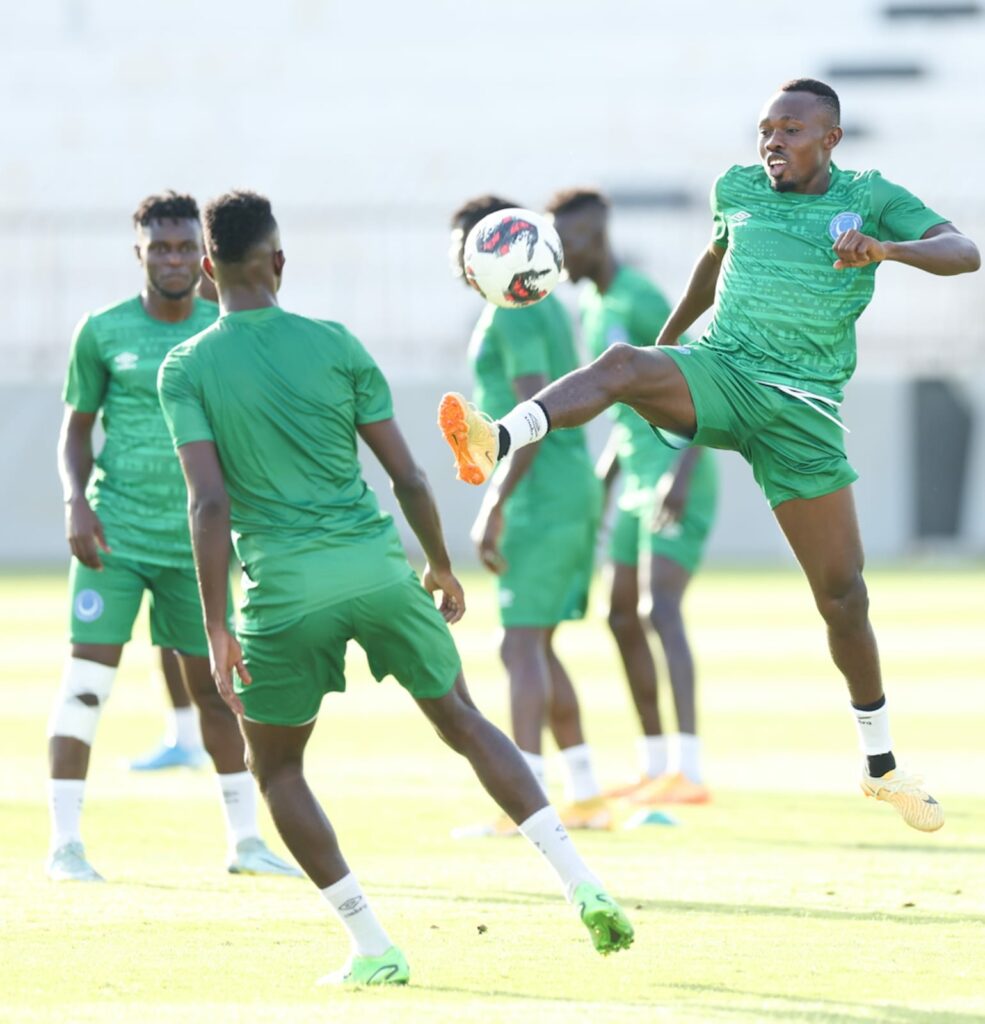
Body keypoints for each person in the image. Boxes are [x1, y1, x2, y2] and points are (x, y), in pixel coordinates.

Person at [438, 78, 981, 833]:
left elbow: (964, 252)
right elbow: (711, 262)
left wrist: (885, 248)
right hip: (724, 371)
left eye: (790, 130)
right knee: (621, 363)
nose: (772, 141)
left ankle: (881, 766)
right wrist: (665, 352)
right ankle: (498, 435)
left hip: (803, 413)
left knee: (842, 596)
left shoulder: (870, 197)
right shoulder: (736, 188)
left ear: (830, 139)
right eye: (765, 129)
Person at [157, 190, 633, 986]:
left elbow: (208, 504)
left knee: (277, 770)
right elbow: (407, 474)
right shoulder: (336, 343)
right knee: (464, 721)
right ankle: (581, 882)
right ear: (279, 263)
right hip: (379, 570)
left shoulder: (184, 368)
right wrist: (439, 563)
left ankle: (372, 945)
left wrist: (215, 627)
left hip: (283, 593)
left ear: (207, 270)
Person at [50, 190, 300, 881]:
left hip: (197, 546)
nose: (173, 259)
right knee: (86, 685)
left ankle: (245, 843)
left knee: (219, 693)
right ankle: (65, 846)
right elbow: (74, 433)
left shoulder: (226, 330)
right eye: (159, 247)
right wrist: (76, 503)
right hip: (116, 535)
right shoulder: (102, 331)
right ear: (138, 252)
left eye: (186, 247)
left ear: (205, 255)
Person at [546, 187, 719, 804]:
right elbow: (625, 402)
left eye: (566, 243)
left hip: (676, 471)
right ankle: (653, 764)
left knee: (659, 609)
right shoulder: (593, 305)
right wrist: (604, 478)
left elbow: (701, 374)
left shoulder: (639, 297)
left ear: (596, 237)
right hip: (634, 477)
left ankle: (689, 771)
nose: (558, 257)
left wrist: (684, 469)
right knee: (618, 614)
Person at [444, 196, 609, 835]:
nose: (457, 255)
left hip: (541, 493)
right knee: (534, 645)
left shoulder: (509, 313)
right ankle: (585, 791)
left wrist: (495, 504)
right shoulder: (537, 301)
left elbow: (531, 417)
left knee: (518, 646)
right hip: (564, 488)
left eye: (463, 241)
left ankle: (527, 804)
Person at [129, 275, 219, 772]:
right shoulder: (139, 329)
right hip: (160, 507)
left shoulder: (225, 329)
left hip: (215, 504)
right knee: (168, 629)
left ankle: (234, 737)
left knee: (219, 626)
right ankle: (184, 736)